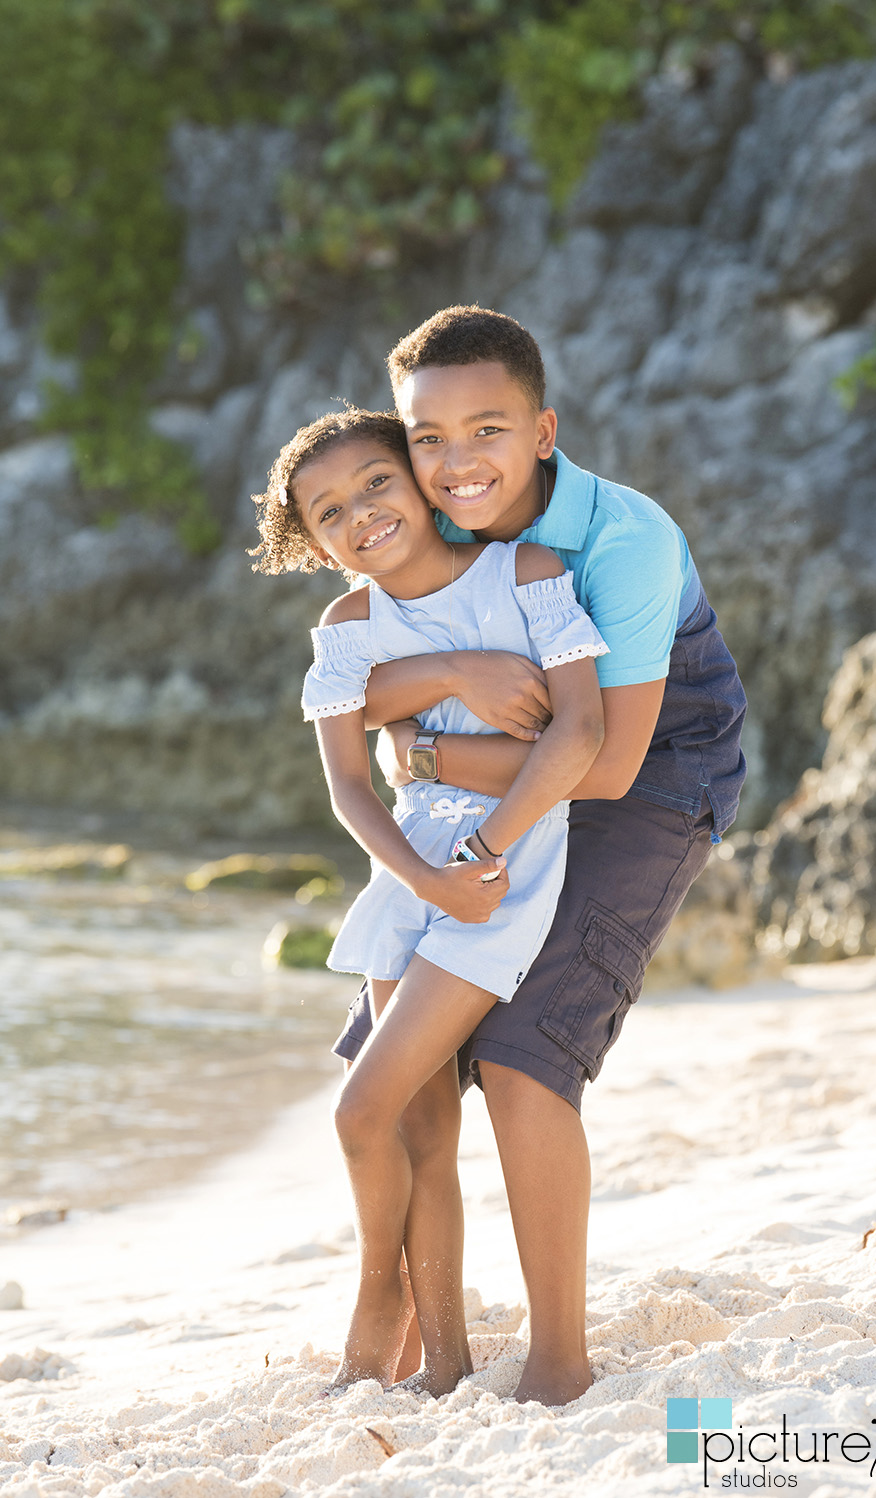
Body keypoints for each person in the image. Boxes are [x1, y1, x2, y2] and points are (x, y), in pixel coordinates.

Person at [333, 306, 748, 1406]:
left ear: (544, 430)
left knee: (523, 1052)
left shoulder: (624, 539)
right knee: (410, 1058)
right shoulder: (424, 521)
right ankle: (431, 1332)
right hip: (508, 772)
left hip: (651, 765)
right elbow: (355, 683)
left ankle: (559, 1359)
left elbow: (599, 764)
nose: (457, 463)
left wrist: (427, 747)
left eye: (487, 431)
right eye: (428, 437)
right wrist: (445, 694)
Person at [249, 406, 607, 1397]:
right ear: (314, 543)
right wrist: (450, 676)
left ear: (414, 476)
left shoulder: (525, 575)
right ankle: (444, 1361)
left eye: (373, 482)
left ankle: (378, 1303)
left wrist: (477, 855)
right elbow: (350, 786)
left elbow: (575, 738)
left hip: (498, 878)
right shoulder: (346, 628)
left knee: (358, 1108)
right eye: (329, 510)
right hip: (407, 873)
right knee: (415, 1131)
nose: (359, 512)